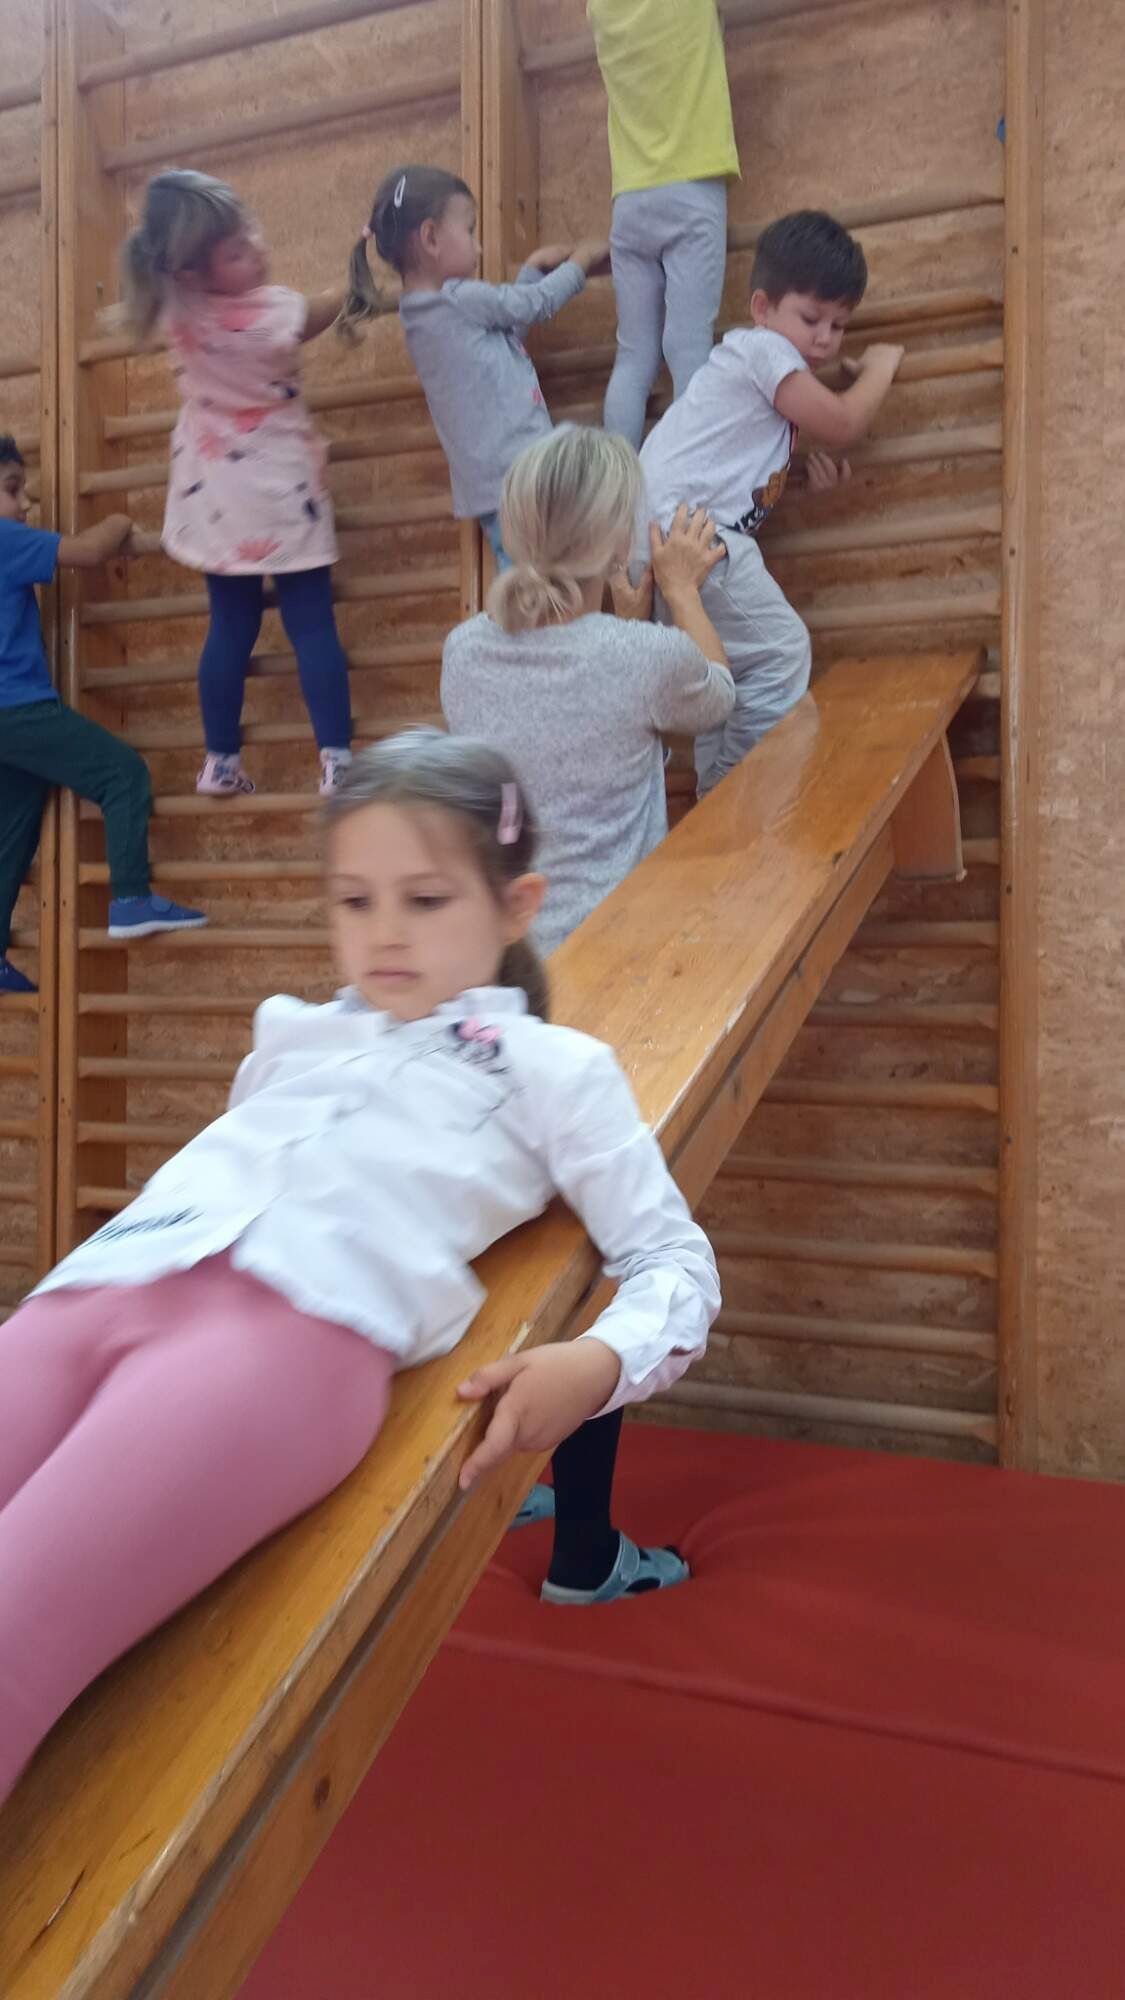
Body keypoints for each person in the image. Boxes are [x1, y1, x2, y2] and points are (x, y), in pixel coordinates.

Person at [0, 729, 720, 1800]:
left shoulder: (555, 1070)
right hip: (99, 1288)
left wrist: (599, 1362)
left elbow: (672, 1257)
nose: (383, 932)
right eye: (354, 900)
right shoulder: (291, 1034)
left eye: (424, 900)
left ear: (515, 906)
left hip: (279, 1343)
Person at [639, 209, 906, 795]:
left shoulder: (758, 374)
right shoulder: (761, 351)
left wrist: (803, 484)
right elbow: (843, 423)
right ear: (762, 308)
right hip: (687, 531)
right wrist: (881, 367)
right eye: (810, 318)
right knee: (781, 650)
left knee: (724, 670)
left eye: (839, 326)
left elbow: (739, 480)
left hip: (660, 532)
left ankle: (720, 802)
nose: (824, 338)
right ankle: (737, 793)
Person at [442, 423, 734, 956]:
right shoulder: (642, 656)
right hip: (617, 954)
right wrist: (680, 589)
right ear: (618, 540)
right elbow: (719, 695)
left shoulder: (462, 652)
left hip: (508, 961)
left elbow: (568, 711)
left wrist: (626, 624)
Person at [114, 169, 354, 799]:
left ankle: (220, 759)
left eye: (250, 233)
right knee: (311, 626)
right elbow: (320, 310)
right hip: (283, 492)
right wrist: (352, 281)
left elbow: (160, 263)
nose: (258, 247)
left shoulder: (177, 308)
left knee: (229, 627)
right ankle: (336, 758)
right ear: (195, 271)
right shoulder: (271, 312)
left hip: (215, 496)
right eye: (238, 249)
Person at [0, 437, 205, 994]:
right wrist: (118, 522)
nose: (24, 504)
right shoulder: (4, 538)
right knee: (123, 774)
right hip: (18, 709)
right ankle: (132, 898)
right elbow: (89, 552)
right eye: (13, 490)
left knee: (13, 829)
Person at [342, 164, 608, 570]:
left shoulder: (418, 315)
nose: (479, 247)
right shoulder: (458, 298)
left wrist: (531, 270)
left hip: (492, 488)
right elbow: (535, 305)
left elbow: (503, 334)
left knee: (525, 579)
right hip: (523, 474)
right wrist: (581, 262)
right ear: (431, 237)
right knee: (549, 571)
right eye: (469, 231)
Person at [588, 0, 741, 446]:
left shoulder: (598, 7)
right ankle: (685, 472)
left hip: (630, 198)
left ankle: (617, 479)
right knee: (688, 345)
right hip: (692, 186)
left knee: (634, 355)